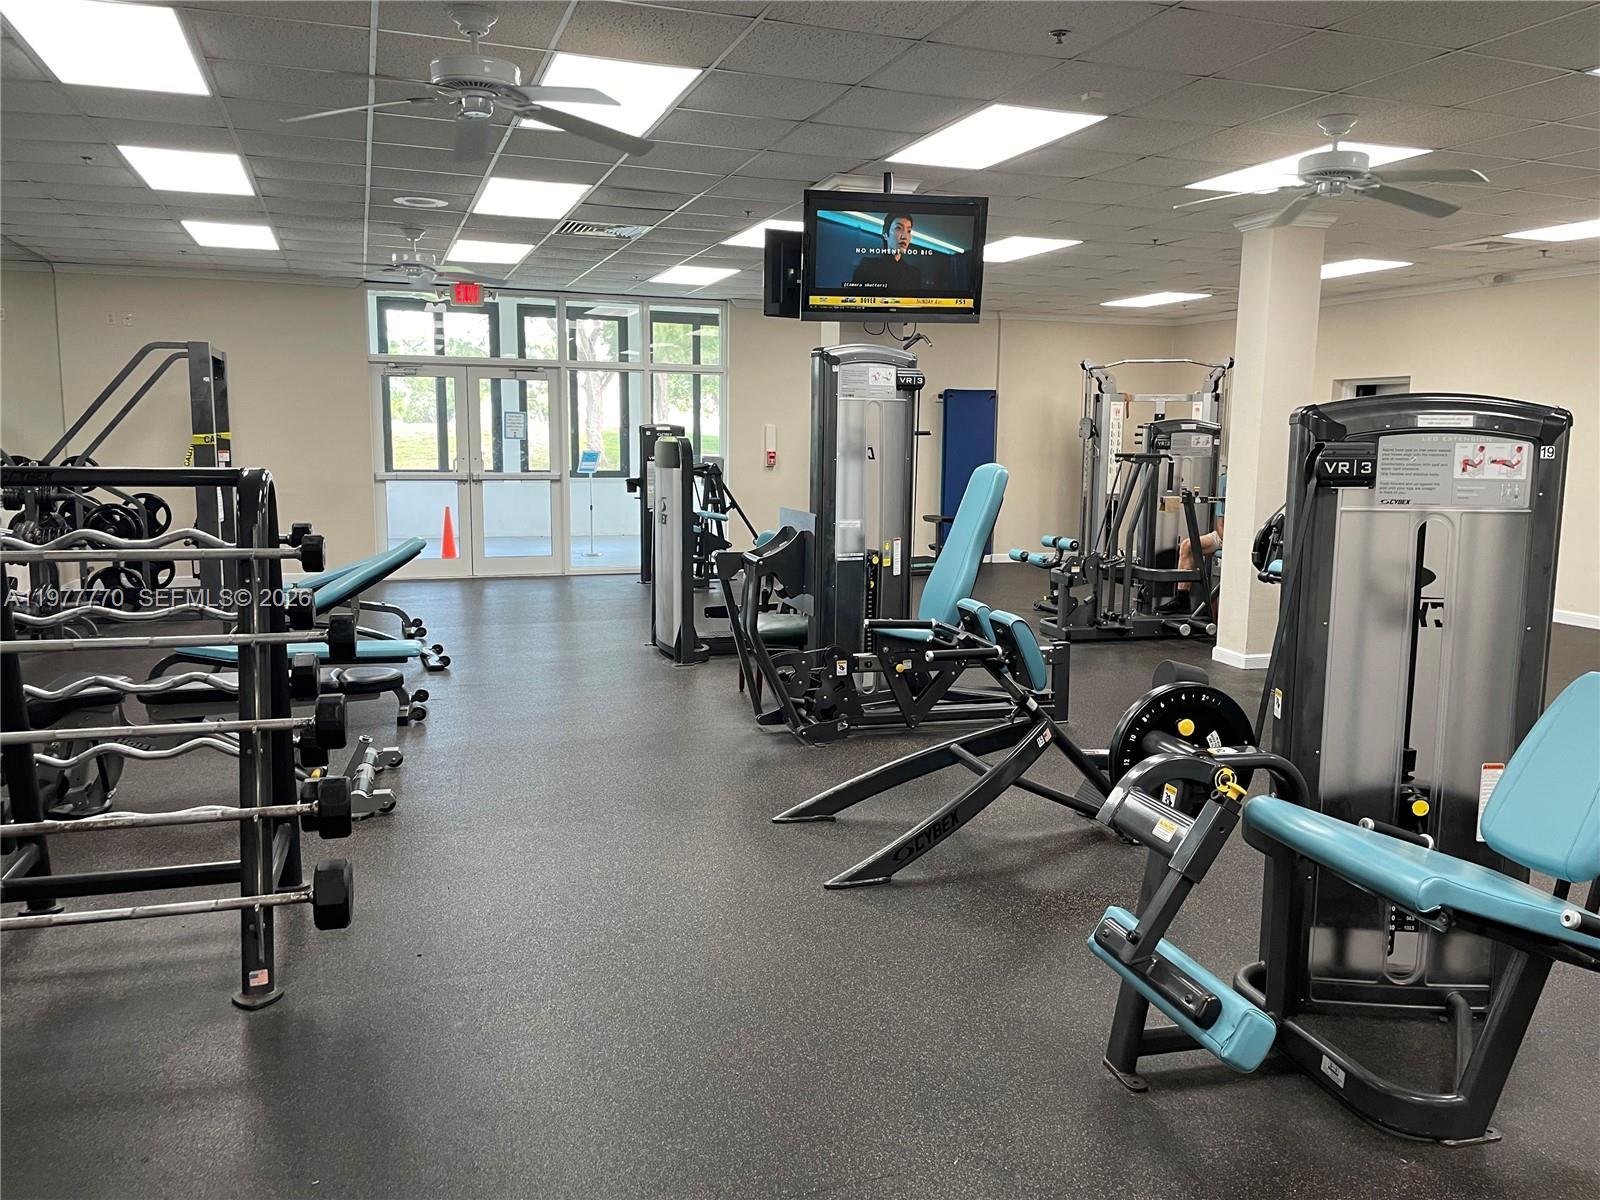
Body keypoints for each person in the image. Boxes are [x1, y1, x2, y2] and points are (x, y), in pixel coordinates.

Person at [849, 213, 925, 293]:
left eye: (908, 231)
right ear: (885, 234)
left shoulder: (914, 273)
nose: (905, 236)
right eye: (898, 228)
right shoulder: (868, 266)